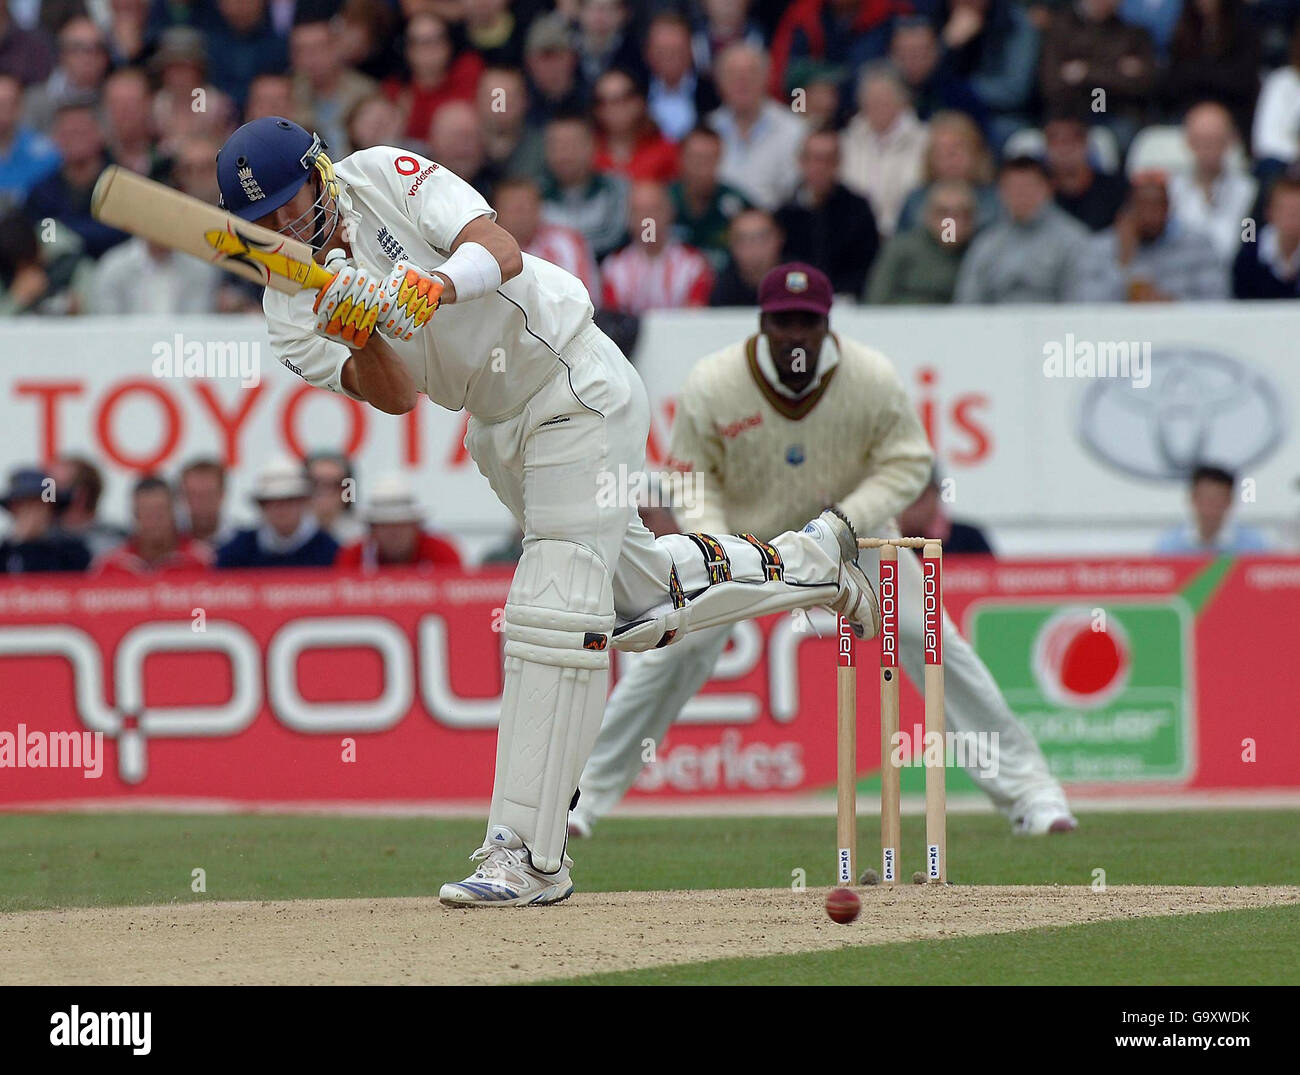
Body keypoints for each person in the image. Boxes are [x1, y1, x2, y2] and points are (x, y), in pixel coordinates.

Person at [214, 115, 879, 906]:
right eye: (266, 222)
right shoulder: (289, 308)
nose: (287, 226)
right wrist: (361, 337)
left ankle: (526, 854)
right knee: (638, 600)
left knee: (551, 607)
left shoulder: (380, 174)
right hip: (498, 429)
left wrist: (429, 285)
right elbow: (394, 398)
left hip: (570, 380)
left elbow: (498, 248)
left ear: (319, 174)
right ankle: (816, 562)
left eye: (293, 203)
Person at [570, 263, 1077, 839]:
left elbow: (908, 463)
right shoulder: (715, 382)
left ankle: (1032, 794)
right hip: (743, 545)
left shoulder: (870, 377)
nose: (794, 335)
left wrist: (842, 523)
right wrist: (717, 542)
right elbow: (690, 479)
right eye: (783, 322)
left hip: (852, 542)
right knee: (672, 651)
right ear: (762, 324)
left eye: (807, 323)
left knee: (932, 641)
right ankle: (580, 803)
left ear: (827, 325)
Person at [1070, 171, 1228, 302]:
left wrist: (1170, 303)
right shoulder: (1099, 248)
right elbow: (1085, 305)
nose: (1151, 215)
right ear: (1129, 208)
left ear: (1169, 207)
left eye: (1157, 205)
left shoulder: (1198, 246)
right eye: (1143, 205)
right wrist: (1124, 265)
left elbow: (1217, 301)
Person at [955, 155, 1088, 303]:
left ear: (1048, 189)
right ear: (1001, 192)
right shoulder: (986, 243)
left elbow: (1080, 303)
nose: (1021, 195)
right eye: (1013, 188)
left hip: (1054, 323)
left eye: (1028, 186)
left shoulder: (1073, 240)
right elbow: (967, 302)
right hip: (995, 324)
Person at [774, 129, 878, 295]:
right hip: (797, 298)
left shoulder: (858, 210)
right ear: (801, 161)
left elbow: (867, 266)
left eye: (827, 160)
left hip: (847, 300)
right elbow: (782, 265)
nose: (819, 167)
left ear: (838, 163)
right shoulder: (784, 212)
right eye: (813, 159)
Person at [706, 43, 806, 210]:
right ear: (719, 82)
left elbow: (797, 194)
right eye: (733, 74)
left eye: (751, 73)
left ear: (768, 77)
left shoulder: (795, 131)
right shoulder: (706, 129)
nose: (742, 81)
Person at [838, 65, 927, 237]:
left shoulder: (925, 141)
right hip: (853, 238)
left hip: (906, 236)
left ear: (903, 99)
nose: (877, 104)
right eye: (871, 98)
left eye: (885, 98)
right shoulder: (844, 143)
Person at [600, 180, 713, 313]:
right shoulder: (614, 268)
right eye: (639, 211)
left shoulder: (693, 266)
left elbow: (695, 319)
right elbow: (613, 321)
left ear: (670, 212)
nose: (647, 219)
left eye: (653, 209)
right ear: (629, 218)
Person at [1167, 102, 1256, 264]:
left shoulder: (1249, 192)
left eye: (1216, 140)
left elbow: (1249, 244)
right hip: (1180, 276)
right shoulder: (1170, 189)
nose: (1208, 149)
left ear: (1231, 140)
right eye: (1201, 141)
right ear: (1188, 142)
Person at [216, 457, 339, 569]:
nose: (281, 509)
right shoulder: (236, 551)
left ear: (303, 502)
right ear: (261, 506)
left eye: (289, 500)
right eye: (272, 502)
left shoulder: (330, 551)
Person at [865, 179, 975, 304]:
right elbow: (875, 300)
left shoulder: (979, 252)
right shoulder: (900, 248)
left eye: (962, 213)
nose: (952, 222)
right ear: (928, 215)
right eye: (944, 212)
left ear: (973, 219)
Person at [540, 112, 628, 260]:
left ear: (592, 146)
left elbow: (614, 238)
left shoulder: (616, 188)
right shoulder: (535, 194)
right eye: (556, 145)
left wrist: (564, 249)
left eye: (572, 145)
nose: (564, 154)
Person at [335, 473, 463, 571]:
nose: (394, 533)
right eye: (385, 525)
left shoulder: (442, 553)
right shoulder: (354, 556)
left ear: (416, 526)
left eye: (402, 524)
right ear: (372, 529)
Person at [667, 125, 750, 272]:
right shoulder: (662, 202)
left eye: (710, 159)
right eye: (696, 158)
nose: (702, 167)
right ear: (681, 158)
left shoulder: (737, 205)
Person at [93, 475, 212, 576]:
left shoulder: (202, 561)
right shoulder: (112, 566)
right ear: (135, 515)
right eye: (147, 513)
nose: (155, 520)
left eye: (160, 511)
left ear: (173, 512)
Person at [1155, 464, 1271, 554]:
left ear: (1229, 501)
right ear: (1193, 499)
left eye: (1217, 498)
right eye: (1205, 498)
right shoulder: (1169, 545)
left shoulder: (1254, 546)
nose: (1210, 506)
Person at [591, 68, 678, 183]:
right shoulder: (587, 152)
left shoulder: (667, 152)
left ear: (639, 102)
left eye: (618, 100)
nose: (610, 109)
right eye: (602, 102)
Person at [1045, 113, 1127, 232]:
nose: (1064, 150)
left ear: (1086, 144)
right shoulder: (1037, 192)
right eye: (1055, 142)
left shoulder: (1117, 189)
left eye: (1071, 141)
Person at [0, 467, 91, 573]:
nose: (32, 514)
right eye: (25, 506)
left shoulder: (71, 552)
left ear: (51, 510)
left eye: (39, 506)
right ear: (13, 509)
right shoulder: (5, 552)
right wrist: (20, 542)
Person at [1233, 175, 1300, 299]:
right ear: (1270, 212)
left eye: (1298, 211)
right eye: (1286, 211)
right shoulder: (1249, 254)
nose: (1292, 218)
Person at [896, 469, 993, 554]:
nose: (912, 507)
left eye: (920, 497)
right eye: (906, 497)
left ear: (936, 492)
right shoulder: (885, 540)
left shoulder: (969, 539)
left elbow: (992, 573)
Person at [48, 456, 126, 557]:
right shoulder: (41, 539)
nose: (48, 494)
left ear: (81, 494)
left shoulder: (114, 541)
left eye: (56, 487)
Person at [710, 207, 783, 306]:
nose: (753, 247)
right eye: (742, 239)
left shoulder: (799, 278)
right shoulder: (719, 289)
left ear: (778, 239)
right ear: (731, 245)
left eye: (761, 238)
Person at [306, 451, 365, 546]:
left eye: (334, 484)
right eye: (315, 483)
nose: (324, 491)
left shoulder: (361, 536)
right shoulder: (291, 533)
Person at [177, 458, 231, 548]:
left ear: (222, 495)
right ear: (182, 497)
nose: (201, 503)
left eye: (208, 495)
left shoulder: (244, 542)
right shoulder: (169, 539)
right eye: (193, 495)